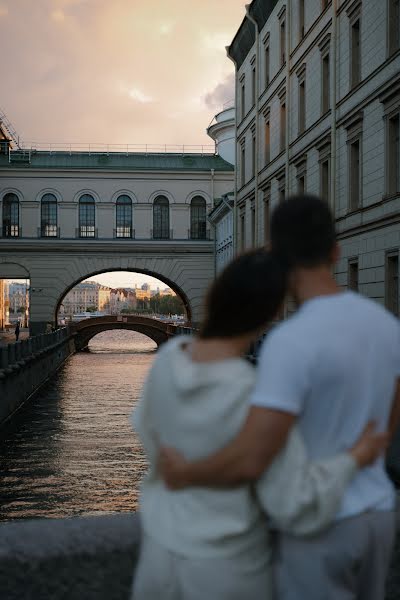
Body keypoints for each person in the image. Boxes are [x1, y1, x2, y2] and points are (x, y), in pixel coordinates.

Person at [161, 195, 400, 600]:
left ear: (276, 257)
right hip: (379, 513)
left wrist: (188, 473)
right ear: (336, 251)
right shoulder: (385, 324)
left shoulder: (289, 341)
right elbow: (390, 419)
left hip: (320, 524)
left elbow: (255, 453)